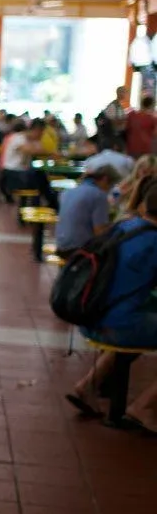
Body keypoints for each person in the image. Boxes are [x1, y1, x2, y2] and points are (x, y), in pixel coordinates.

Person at [66, 183, 157, 431]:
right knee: (134, 321)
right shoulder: (154, 241)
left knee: (133, 319)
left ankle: (87, 385)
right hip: (118, 326)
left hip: (91, 318)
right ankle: (144, 407)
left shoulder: (123, 226)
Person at [54, 164, 118, 255]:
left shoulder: (68, 192)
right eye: (111, 185)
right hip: (80, 249)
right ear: (105, 179)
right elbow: (99, 231)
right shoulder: (99, 195)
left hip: (60, 245)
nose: (110, 189)